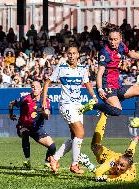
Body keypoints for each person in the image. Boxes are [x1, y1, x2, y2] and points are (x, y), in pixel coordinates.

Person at [79, 25, 139, 128]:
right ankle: (93, 105)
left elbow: (130, 54)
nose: (112, 42)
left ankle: (136, 119)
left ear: (120, 39)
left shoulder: (121, 45)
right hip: (106, 87)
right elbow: (99, 73)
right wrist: (99, 89)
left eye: (115, 39)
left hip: (117, 86)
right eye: (110, 39)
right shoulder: (105, 52)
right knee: (117, 111)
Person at [42, 46, 97, 174]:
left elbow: (87, 83)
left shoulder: (83, 69)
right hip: (66, 105)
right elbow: (47, 83)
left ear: (78, 55)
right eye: (69, 54)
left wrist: (94, 96)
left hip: (78, 106)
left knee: (74, 137)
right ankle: (75, 164)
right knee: (80, 133)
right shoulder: (61, 68)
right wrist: (44, 100)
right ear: (67, 55)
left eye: (74, 53)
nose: (71, 56)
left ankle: (54, 159)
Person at [9, 81, 56, 169]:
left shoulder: (45, 101)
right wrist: (11, 115)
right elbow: (11, 104)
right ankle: (27, 160)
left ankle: (46, 162)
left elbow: (47, 117)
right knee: (25, 133)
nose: (34, 88)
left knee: (52, 147)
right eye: (32, 87)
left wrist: (44, 112)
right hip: (23, 126)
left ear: (41, 89)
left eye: (37, 87)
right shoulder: (25, 98)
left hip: (36, 129)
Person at [84, 113, 139, 182]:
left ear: (129, 167)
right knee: (95, 146)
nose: (118, 167)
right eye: (118, 164)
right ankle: (104, 115)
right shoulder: (114, 161)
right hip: (109, 156)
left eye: (122, 166)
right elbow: (131, 149)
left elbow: (110, 178)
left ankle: (87, 163)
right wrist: (135, 140)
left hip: (115, 166)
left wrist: (105, 177)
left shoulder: (128, 178)